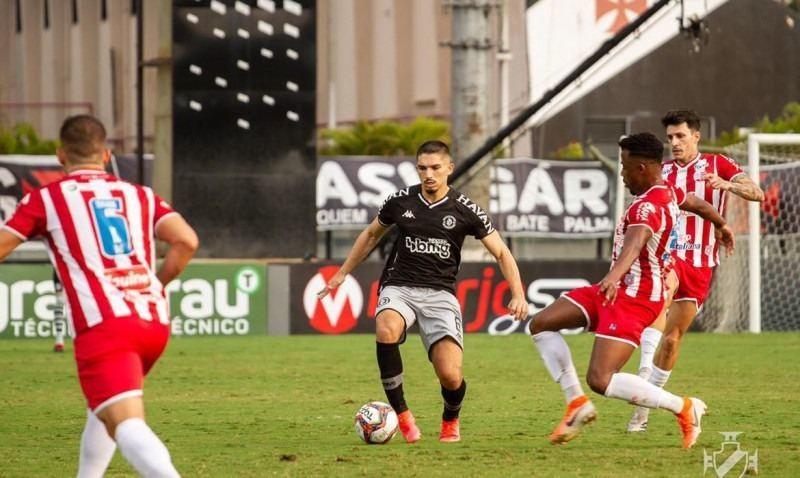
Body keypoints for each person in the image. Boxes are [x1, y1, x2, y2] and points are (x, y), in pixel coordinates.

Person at [0, 115, 198, 477]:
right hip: (153, 322)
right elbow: (187, 240)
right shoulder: (139, 194)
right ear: (106, 155)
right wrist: (158, 284)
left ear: (61, 156)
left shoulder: (47, 198)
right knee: (104, 408)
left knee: (126, 423)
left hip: (105, 325)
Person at [523, 133, 735, 448]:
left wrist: (613, 276)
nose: (621, 173)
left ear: (641, 168)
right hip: (616, 289)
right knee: (540, 324)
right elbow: (697, 203)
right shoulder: (669, 191)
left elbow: (635, 244)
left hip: (635, 298)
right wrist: (721, 225)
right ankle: (576, 404)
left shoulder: (648, 206)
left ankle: (683, 407)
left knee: (600, 379)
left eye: (624, 167)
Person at [317, 140, 528, 443]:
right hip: (399, 286)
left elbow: (502, 254)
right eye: (422, 168)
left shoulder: (465, 209)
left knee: (450, 375)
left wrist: (518, 294)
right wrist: (341, 274)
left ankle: (450, 419)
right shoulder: (401, 202)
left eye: (435, 168)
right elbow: (370, 234)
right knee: (386, 326)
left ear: (449, 169)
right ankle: (401, 415)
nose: (428, 174)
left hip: (440, 295)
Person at [628, 110, 764, 432]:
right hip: (670, 255)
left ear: (696, 137)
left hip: (703, 264)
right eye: (670, 137)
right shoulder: (663, 173)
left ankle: (645, 406)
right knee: (659, 310)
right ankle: (643, 373)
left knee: (673, 340)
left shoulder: (719, 165)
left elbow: (756, 192)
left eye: (680, 136)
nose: (674, 143)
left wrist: (727, 186)